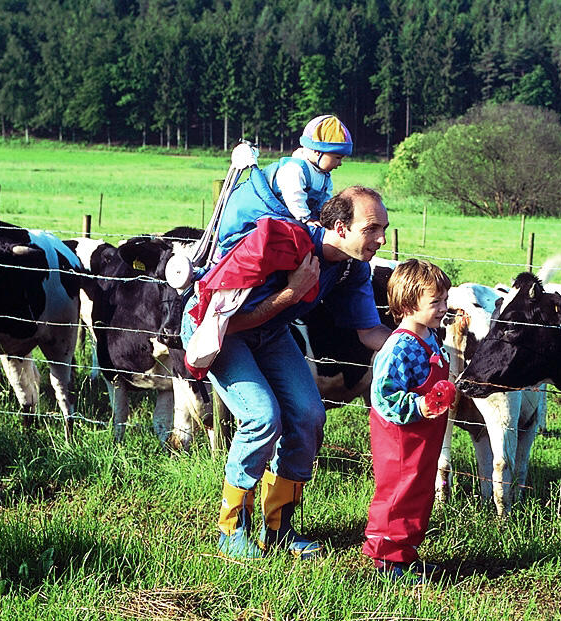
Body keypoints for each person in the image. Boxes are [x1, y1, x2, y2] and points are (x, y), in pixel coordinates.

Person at [184, 185, 392, 560]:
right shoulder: (283, 243)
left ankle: (279, 528)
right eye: (371, 229)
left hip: (270, 330)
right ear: (341, 228)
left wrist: (418, 343)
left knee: (309, 415)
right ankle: (232, 530)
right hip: (217, 329)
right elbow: (225, 321)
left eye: (384, 229)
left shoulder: (352, 268)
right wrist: (292, 294)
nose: (381, 239)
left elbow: (369, 333)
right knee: (262, 417)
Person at [362, 259, 458, 583]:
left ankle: (404, 554)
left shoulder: (430, 336)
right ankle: (386, 559)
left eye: (445, 299)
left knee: (418, 494)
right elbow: (383, 395)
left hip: (424, 438)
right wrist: (420, 404)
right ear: (408, 304)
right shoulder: (399, 347)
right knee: (398, 494)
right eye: (436, 302)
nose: (443, 307)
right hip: (401, 440)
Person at [216, 114, 353, 255]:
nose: (340, 163)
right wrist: (306, 218)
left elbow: (325, 199)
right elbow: (294, 196)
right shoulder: (295, 169)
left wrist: (326, 218)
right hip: (264, 206)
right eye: (337, 158)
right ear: (318, 151)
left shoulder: (324, 176)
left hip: (288, 212)